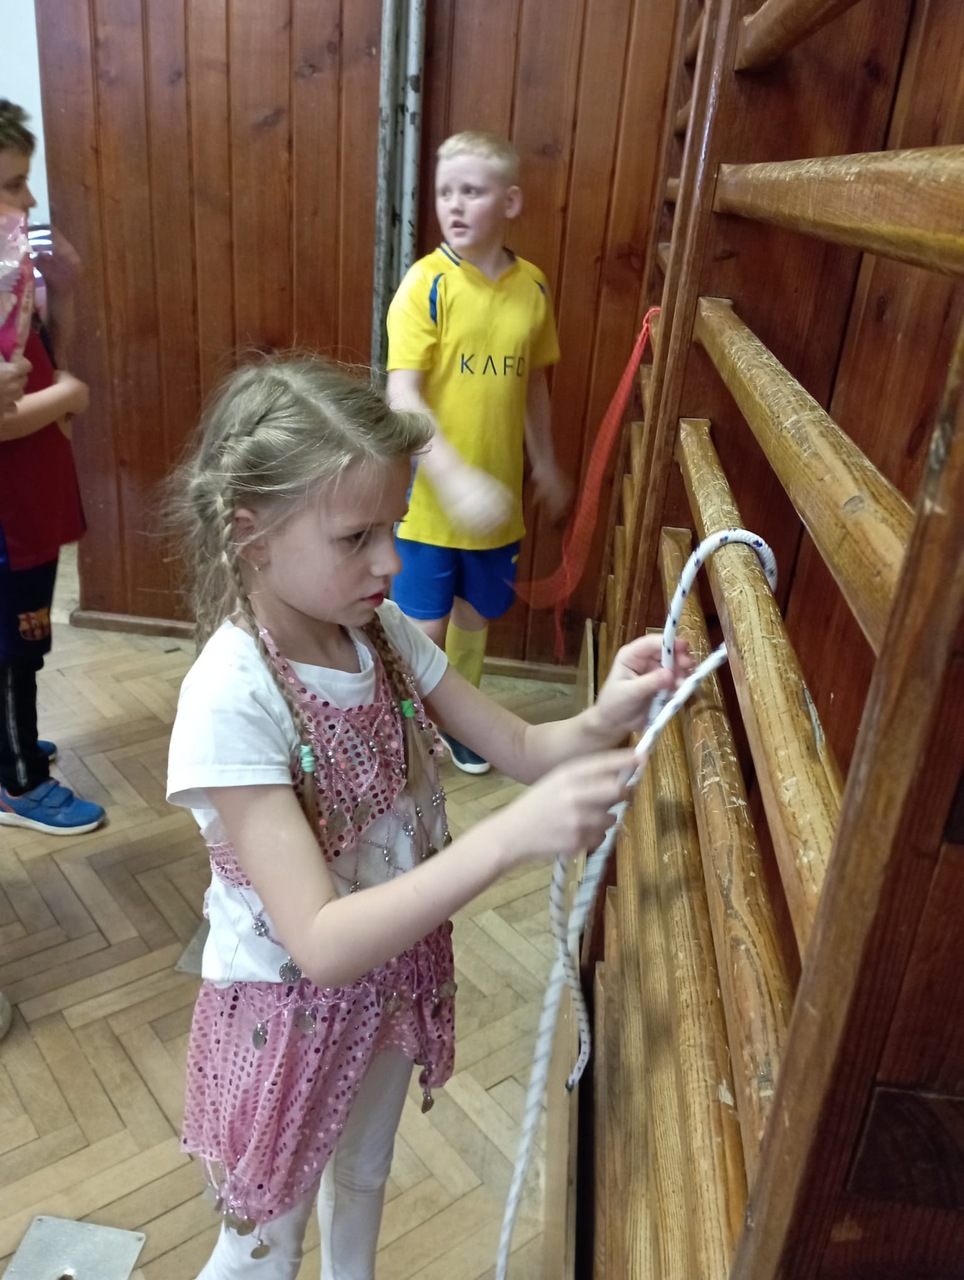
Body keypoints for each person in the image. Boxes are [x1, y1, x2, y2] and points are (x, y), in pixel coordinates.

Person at [165, 355, 689, 1279]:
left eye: (395, 526)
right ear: (252, 537)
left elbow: (521, 746)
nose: (392, 562)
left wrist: (609, 711)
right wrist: (506, 840)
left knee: (363, 1175)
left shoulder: (381, 633)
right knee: (262, 1247)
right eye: (357, 537)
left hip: (390, 980)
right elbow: (321, 942)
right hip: (286, 1020)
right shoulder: (230, 698)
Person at [386, 130, 572, 775]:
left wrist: (545, 462)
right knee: (422, 628)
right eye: (445, 192)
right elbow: (402, 395)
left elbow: (533, 384)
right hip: (428, 506)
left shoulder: (533, 288)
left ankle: (461, 723)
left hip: (497, 506)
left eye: (472, 190)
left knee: (472, 618)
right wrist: (454, 477)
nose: (455, 205)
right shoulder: (426, 285)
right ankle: (404, 732)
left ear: (510, 201)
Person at [0, 100, 105, 836]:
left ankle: (12, 743)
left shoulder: (9, 278)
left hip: (30, 501)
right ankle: (18, 782)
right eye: (12, 185)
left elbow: (35, 355)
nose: (29, 200)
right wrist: (69, 395)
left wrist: (61, 290)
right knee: (15, 645)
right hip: (8, 518)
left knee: (22, 637)